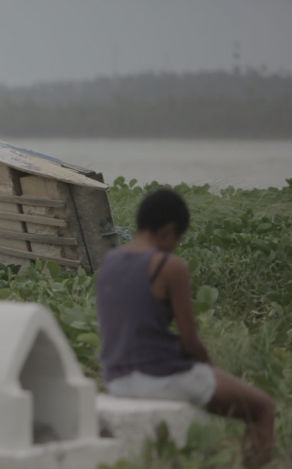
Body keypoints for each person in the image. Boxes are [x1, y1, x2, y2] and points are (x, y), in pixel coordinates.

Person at [96, 188, 275, 468]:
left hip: (116, 377)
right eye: (177, 238)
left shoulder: (109, 262)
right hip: (159, 377)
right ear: (168, 231)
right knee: (263, 409)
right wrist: (210, 370)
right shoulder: (170, 266)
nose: (176, 245)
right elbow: (190, 343)